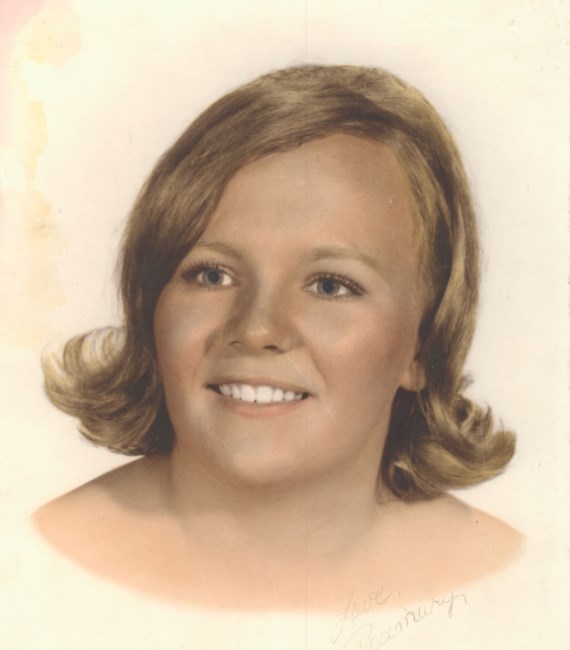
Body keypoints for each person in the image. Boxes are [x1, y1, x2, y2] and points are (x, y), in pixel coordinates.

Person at [34, 64, 522, 610]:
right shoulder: (35, 562)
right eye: (212, 275)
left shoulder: (512, 586)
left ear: (425, 344)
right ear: (151, 307)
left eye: (330, 285)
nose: (256, 328)